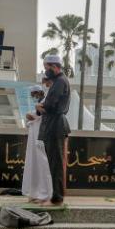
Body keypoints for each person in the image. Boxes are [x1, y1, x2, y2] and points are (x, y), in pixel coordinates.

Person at [38, 55, 70, 205]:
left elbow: (50, 105)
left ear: (55, 66)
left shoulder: (59, 82)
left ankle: (57, 198)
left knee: (56, 162)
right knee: (53, 162)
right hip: (54, 124)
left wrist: (39, 108)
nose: (46, 71)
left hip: (56, 125)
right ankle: (55, 195)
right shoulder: (58, 81)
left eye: (47, 68)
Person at [22, 83, 52, 204]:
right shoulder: (38, 104)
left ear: (39, 93)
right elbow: (35, 116)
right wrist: (30, 116)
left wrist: (34, 116)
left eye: (34, 94)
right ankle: (34, 192)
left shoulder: (46, 101)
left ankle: (44, 193)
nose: (33, 96)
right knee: (33, 164)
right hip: (34, 137)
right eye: (32, 95)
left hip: (41, 137)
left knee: (42, 165)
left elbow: (46, 116)